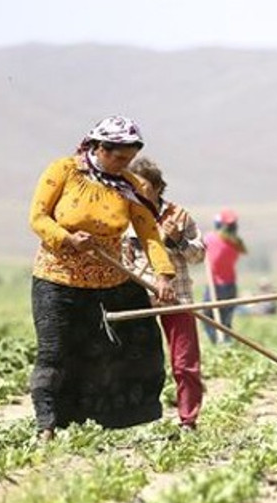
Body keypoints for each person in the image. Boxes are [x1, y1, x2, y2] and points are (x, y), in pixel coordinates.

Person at [27, 115, 177, 442]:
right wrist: (66, 238)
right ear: (99, 148)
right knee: (55, 352)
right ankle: (46, 426)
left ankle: (115, 421)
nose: (124, 165)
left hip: (111, 282)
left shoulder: (130, 188)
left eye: (130, 159)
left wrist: (164, 275)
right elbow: (37, 218)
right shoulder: (63, 171)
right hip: (57, 278)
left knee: (139, 344)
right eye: (120, 158)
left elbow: (150, 235)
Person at [122, 157, 206, 431]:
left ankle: (188, 421)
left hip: (178, 298)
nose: (136, 189)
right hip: (140, 301)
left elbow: (199, 255)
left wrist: (177, 240)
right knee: (139, 362)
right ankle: (139, 419)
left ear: (157, 187)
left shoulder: (179, 216)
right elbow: (123, 261)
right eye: (131, 184)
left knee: (185, 364)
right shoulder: (124, 216)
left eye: (142, 184)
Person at [202, 208, 247, 344]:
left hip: (216, 286)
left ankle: (219, 343)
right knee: (225, 319)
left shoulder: (211, 239)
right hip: (230, 286)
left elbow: (212, 260)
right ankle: (226, 343)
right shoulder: (236, 243)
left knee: (209, 317)